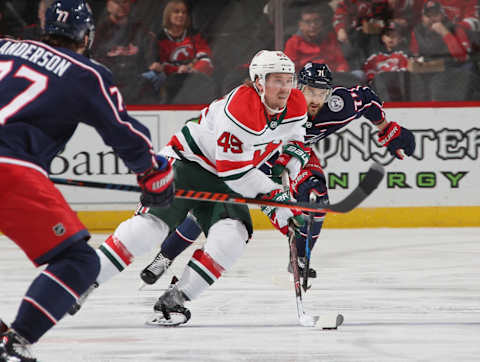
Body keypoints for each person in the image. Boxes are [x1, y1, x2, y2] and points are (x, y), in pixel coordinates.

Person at [71, 50, 310, 325]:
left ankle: (176, 298)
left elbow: (294, 134)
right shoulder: (241, 110)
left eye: (288, 79)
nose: (284, 88)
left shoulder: (296, 102)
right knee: (148, 229)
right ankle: (80, 282)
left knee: (232, 237)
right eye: (276, 80)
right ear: (258, 82)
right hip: (189, 163)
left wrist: (290, 160)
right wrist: (276, 200)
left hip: (228, 177)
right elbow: (237, 176)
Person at [139, 61, 417, 290]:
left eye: (323, 92)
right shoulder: (282, 103)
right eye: (310, 91)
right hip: (253, 156)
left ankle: (301, 258)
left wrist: (386, 127)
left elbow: (366, 99)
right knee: (209, 206)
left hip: (295, 152)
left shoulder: (337, 105)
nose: (316, 100)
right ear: (298, 87)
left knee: (316, 194)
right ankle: (165, 256)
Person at [0, 0, 174, 360]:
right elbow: (123, 132)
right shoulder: (85, 72)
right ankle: (17, 344)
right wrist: (155, 175)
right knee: (79, 263)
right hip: (10, 167)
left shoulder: (4, 45)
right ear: (87, 36)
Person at [148, 0, 216, 104]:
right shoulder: (160, 38)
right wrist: (178, 69)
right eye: (176, 12)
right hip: (171, 82)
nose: (181, 15)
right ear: (168, 15)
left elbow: (205, 59)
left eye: (184, 12)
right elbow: (159, 65)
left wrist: (192, 69)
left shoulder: (195, 35)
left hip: (194, 78)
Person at [91, 0, 158, 104]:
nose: (121, 5)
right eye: (117, 2)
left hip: (137, 90)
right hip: (107, 89)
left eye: (125, 1)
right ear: (108, 5)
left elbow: (151, 62)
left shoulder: (141, 30)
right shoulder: (97, 33)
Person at [363, 22, 410, 101]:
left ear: (400, 38)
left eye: (394, 36)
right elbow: (369, 72)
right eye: (388, 35)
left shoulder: (404, 55)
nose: (391, 38)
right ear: (383, 38)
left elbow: (404, 73)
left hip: (398, 88)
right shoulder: (375, 57)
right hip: (380, 90)